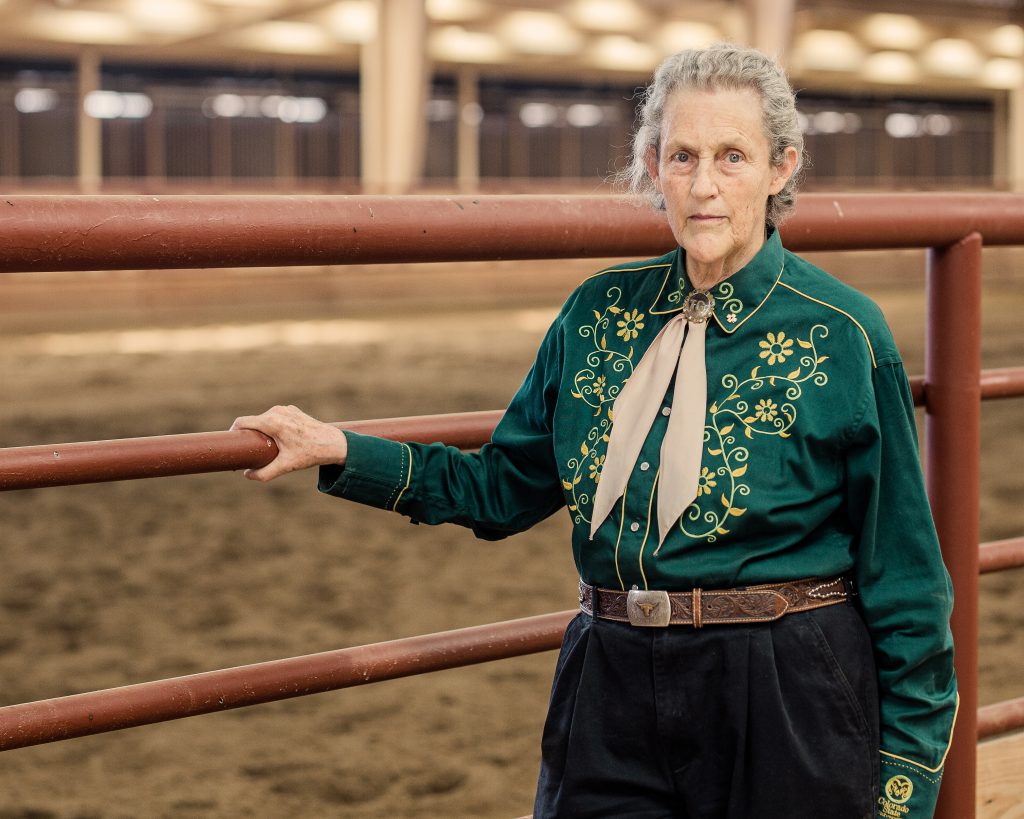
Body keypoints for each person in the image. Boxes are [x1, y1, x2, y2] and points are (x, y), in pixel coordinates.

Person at [232, 44, 957, 819]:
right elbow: (501, 489)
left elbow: (906, 576)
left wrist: (902, 790)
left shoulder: (842, 333)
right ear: (652, 163)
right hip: (609, 674)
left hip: (784, 684)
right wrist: (342, 449)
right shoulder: (596, 312)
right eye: (682, 156)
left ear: (782, 168)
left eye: (731, 157)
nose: (703, 185)